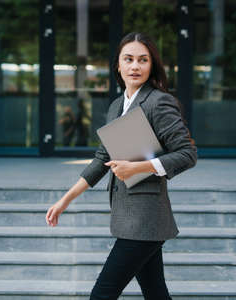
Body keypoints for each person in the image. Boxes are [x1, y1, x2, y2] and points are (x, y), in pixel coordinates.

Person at [45, 32, 197, 300]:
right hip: (130, 218)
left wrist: (137, 168)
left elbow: (187, 154)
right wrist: (65, 200)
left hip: (145, 218)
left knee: (102, 294)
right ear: (118, 64)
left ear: (152, 65)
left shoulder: (158, 102)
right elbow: (102, 158)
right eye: (128, 59)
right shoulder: (117, 106)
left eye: (143, 60)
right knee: (155, 292)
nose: (135, 66)